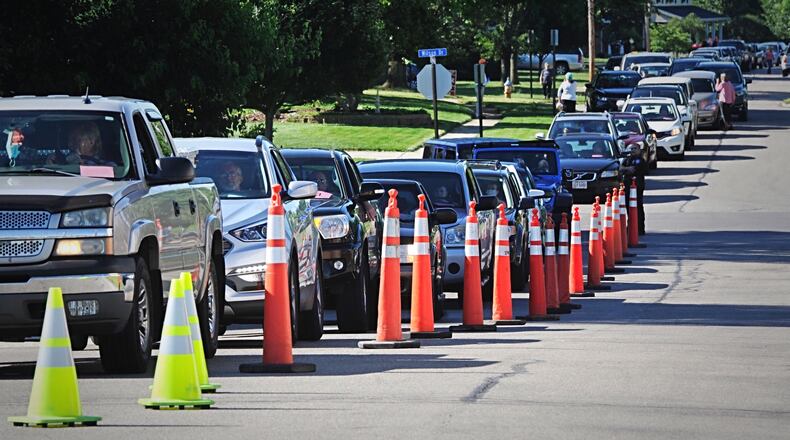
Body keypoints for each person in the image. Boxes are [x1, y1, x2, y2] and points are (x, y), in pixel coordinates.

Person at [50, 122, 115, 166]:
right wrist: (52, 165)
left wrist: (83, 166)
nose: (72, 144)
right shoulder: (66, 159)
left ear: (91, 141)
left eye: (77, 140)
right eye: (71, 140)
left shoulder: (106, 164)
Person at [620, 143, 647, 235]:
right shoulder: (626, 159)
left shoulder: (640, 160)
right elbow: (621, 168)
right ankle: (630, 227)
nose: (632, 150)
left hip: (637, 186)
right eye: (631, 149)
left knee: (638, 206)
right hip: (627, 186)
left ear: (639, 150)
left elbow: (635, 169)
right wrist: (627, 169)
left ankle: (640, 228)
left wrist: (626, 169)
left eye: (635, 148)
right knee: (628, 206)